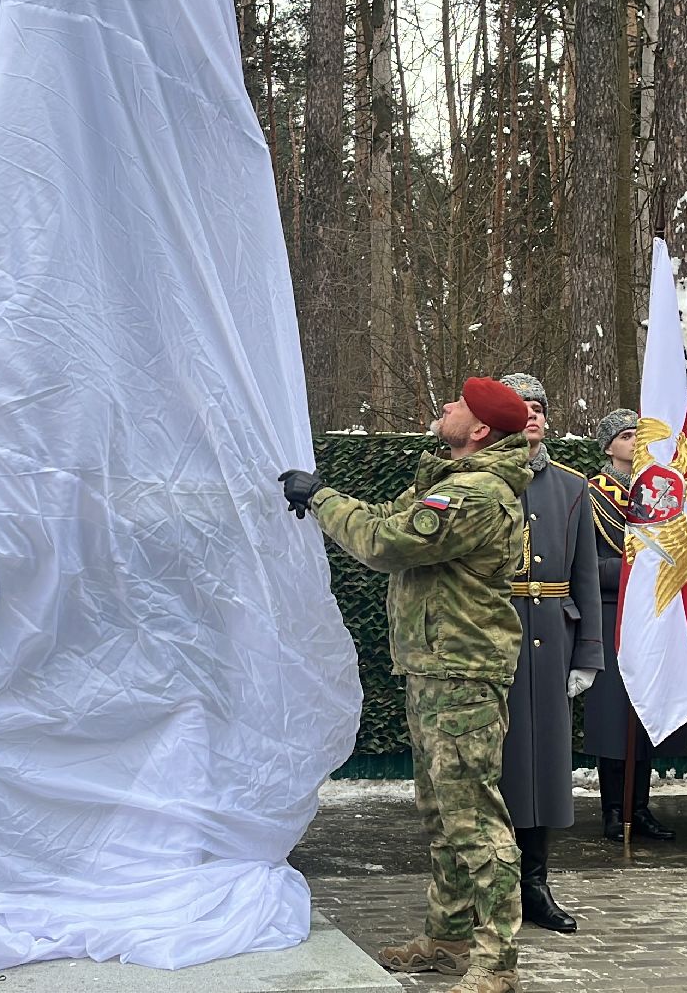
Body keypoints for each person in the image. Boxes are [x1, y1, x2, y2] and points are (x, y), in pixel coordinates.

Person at [278, 376, 533, 993]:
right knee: (442, 813)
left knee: (473, 816)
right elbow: (390, 517)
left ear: (478, 431)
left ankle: (497, 963)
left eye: (458, 406)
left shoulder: (476, 495)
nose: (445, 406)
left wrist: (321, 498)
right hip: (433, 666)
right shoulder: (446, 483)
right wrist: (331, 501)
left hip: (461, 673)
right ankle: (447, 938)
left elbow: (385, 542)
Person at [491, 373, 601, 934]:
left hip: (551, 637)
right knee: (502, 761)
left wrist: (588, 652)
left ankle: (536, 881)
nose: (532, 414)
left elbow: (584, 575)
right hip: (493, 634)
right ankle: (496, 883)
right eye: (521, 407)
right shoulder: (481, 480)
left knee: (548, 765)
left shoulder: (571, 485)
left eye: (539, 406)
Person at [579, 408, 682, 843]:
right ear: (608, 447)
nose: (633, 443)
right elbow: (583, 563)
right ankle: (613, 809)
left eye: (637, 436)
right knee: (612, 716)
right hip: (609, 610)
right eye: (625, 436)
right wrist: (634, 572)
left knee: (643, 714)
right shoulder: (588, 494)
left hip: (651, 613)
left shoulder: (658, 492)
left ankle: (640, 807)